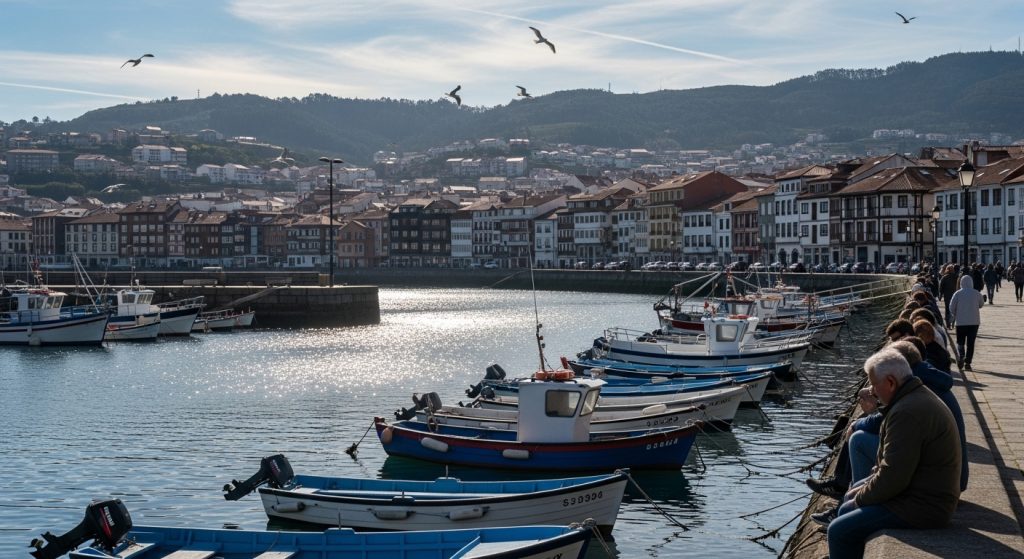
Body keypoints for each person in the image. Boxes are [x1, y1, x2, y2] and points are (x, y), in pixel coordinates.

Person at [825, 349, 961, 559]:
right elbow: (889, 464)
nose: (872, 391)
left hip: (925, 506)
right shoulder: (913, 398)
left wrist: (860, 498)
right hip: (919, 492)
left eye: (874, 384)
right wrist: (860, 490)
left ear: (890, 382)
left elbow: (893, 476)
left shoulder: (906, 412)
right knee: (848, 504)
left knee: (838, 530)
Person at [948, 275, 984, 371]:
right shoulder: (976, 293)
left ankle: (961, 356)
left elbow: (951, 307)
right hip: (974, 322)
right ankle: (968, 362)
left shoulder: (957, 293)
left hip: (960, 322)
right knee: (971, 343)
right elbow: (981, 304)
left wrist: (956, 313)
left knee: (960, 342)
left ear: (961, 283)